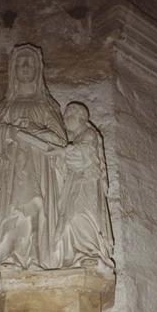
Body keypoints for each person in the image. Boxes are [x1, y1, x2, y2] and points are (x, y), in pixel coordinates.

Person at [0, 44, 67, 272]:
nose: (25, 66)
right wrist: (9, 132)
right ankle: (9, 255)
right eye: (20, 63)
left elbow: (60, 142)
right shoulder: (5, 108)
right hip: (10, 169)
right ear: (13, 70)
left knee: (36, 207)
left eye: (30, 62)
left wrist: (35, 131)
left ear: (38, 68)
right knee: (13, 209)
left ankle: (36, 256)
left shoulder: (47, 106)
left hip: (38, 167)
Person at [54, 102, 114, 273]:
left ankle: (89, 252)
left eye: (68, 116)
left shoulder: (89, 133)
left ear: (80, 118)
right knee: (70, 218)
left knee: (82, 214)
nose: (65, 119)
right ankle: (74, 255)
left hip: (87, 182)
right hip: (75, 182)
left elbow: (84, 155)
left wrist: (68, 151)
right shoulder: (76, 138)